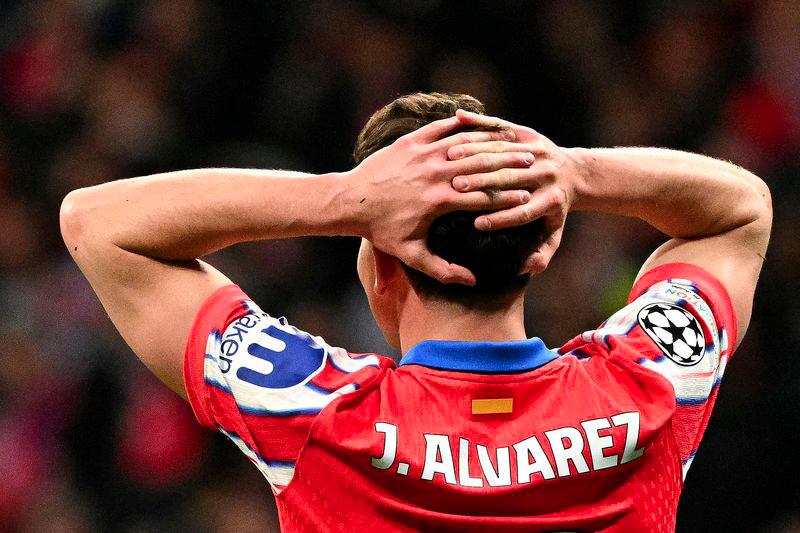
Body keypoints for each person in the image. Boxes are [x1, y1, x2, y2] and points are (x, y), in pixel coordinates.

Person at [60, 92, 771, 532]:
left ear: (380, 264)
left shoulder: (314, 410)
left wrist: (341, 201)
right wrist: (573, 171)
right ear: (539, 250)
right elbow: (742, 211)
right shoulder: (650, 386)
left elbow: (96, 222)